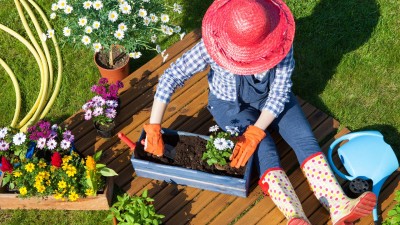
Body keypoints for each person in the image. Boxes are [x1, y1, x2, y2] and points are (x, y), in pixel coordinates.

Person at [142, 0, 376, 224]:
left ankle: (338, 204)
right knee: (265, 149)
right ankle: (295, 215)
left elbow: (280, 91)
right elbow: (172, 76)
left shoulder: (280, 43)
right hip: (229, 106)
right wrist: (154, 126)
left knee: (303, 136)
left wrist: (256, 130)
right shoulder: (213, 45)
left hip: (273, 100)